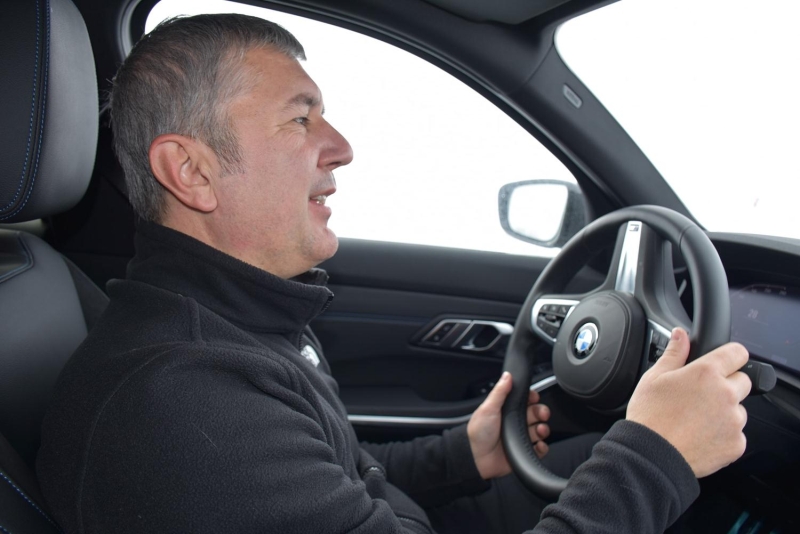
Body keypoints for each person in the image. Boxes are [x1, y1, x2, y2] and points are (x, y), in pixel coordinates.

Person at [36, 14, 751, 534]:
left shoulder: (233, 322)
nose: (341, 146)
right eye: (300, 119)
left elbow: (333, 473)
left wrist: (461, 455)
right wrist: (654, 459)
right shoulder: (181, 405)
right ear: (190, 171)